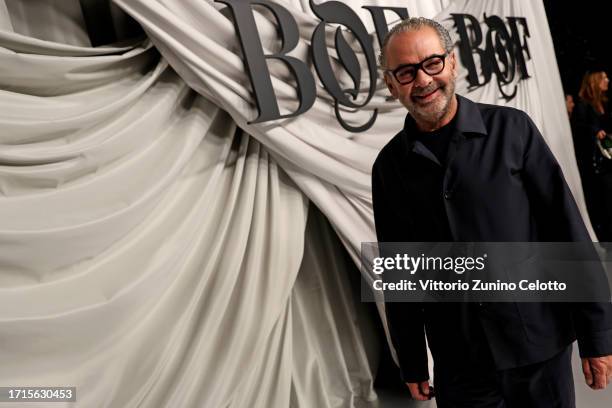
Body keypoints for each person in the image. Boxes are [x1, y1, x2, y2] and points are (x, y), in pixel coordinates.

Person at [371, 17, 612, 407]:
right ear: (391, 83)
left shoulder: (513, 129)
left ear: (451, 63)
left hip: (539, 347)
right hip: (459, 363)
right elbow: (400, 270)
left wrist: (598, 334)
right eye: (406, 71)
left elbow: (567, 232)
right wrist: (412, 361)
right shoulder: (388, 167)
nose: (423, 80)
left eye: (432, 63)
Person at [571, 70, 612, 241]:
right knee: (604, 201)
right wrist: (595, 132)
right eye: (603, 77)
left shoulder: (603, 104)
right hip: (595, 165)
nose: (607, 80)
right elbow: (576, 130)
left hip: (607, 160)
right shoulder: (582, 105)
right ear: (594, 81)